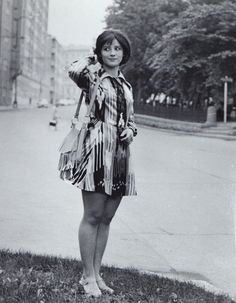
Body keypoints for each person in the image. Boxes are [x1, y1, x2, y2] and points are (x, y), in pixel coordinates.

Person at [67, 29, 137, 298]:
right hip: (97, 152)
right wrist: (92, 56)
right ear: (99, 51)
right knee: (93, 215)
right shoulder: (92, 77)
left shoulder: (127, 86)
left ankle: (96, 273)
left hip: (120, 155)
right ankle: (87, 277)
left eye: (117, 48)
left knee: (107, 218)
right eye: (106, 48)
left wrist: (131, 131)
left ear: (124, 53)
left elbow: (132, 120)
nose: (112, 52)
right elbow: (72, 69)